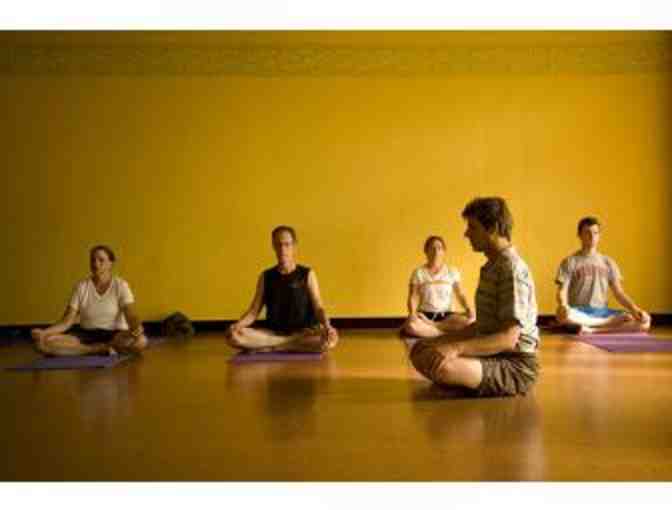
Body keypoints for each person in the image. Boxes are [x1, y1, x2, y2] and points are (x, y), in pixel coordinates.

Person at [409, 197, 540, 397]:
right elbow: (482, 327)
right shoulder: (491, 266)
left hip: (515, 366)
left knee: (442, 366)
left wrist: (455, 348)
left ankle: (471, 378)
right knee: (420, 350)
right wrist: (440, 342)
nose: (466, 234)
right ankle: (469, 378)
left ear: (492, 228)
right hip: (491, 354)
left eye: (472, 227)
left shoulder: (511, 268)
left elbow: (508, 339)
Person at [225, 226, 338, 353]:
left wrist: (327, 326)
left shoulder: (307, 274)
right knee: (234, 337)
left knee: (330, 340)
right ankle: (288, 344)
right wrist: (237, 325)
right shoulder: (266, 276)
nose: (282, 249)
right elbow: (253, 312)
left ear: (294, 246)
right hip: (273, 334)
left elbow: (318, 307)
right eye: (278, 245)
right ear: (273, 246)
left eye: (287, 245)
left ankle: (274, 347)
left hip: (304, 332)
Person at [31, 245, 148, 356]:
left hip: (115, 335)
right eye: (93, 260)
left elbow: (130, 314)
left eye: (101, 260)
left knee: (141, 341)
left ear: (110, 263)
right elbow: (66, 321)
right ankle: (97, 349)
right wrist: (44, 333)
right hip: (86, 335)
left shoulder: (121, 285)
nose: (96, 264)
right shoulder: (81, 287)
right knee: (43, 343)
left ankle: (94, 349)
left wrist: (136, 326)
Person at [554, 216, 651, 334]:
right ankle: (600, 326)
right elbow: (562, 290)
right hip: (578, 312)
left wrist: (635, 309)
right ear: (579, 235)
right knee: (562, 315)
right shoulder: (570, 261)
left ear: (599, 235)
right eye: (587, 232)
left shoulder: (608, 262)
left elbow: (619, 293)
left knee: (645, 322)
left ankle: (591, 330)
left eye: (595, 233)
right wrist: (563, 305)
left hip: (603, 313)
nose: (592, 236)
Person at [401, 235, 475, 338]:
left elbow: (460, 293)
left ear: (444, 251)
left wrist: (469, 308)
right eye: (432, 248)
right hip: (425, 316)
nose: (436, 251)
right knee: (411, 325)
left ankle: (433, 329)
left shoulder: (452, 271)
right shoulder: (419, 272)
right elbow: (413, 296)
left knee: (470, 322)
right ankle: (444, 334)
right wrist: (412, 313)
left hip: (448, 317)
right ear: (426, 251)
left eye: (439, 248)